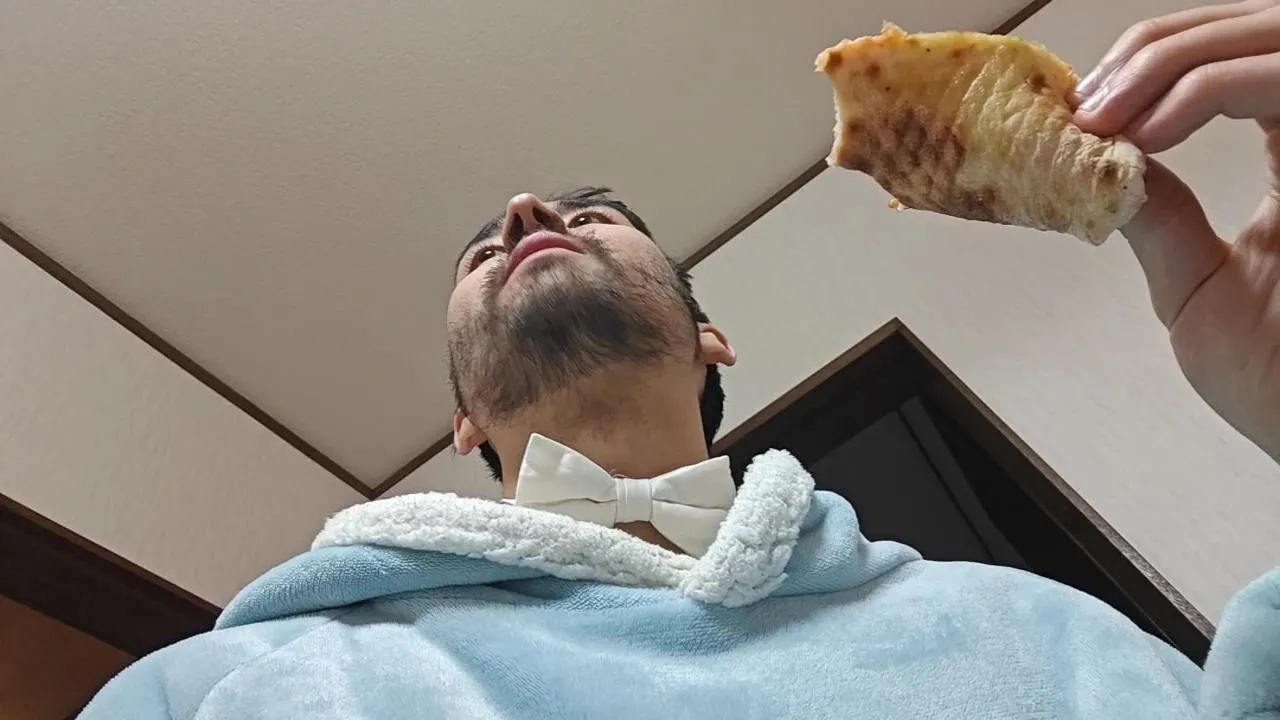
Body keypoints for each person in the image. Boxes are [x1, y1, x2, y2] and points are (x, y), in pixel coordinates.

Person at [81, 4, 1280, 718]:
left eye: (594, 217)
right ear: (464, 424)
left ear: (710, 339)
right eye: (481, 251)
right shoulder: (233, 687)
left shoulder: (1036, 633)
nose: (525, 210)